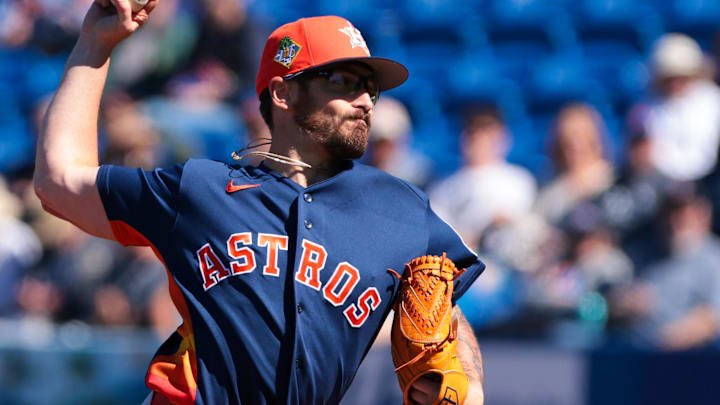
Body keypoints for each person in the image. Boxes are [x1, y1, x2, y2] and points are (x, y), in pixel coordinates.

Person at [33, 2, 486, 405]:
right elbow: (58, 182)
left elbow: (445, 307)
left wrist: (470, 384)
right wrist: (95, 42)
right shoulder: (200, 189)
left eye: (372, 87)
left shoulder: (399, 208)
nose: (366, 100)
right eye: (346, 81)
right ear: (283, 92)